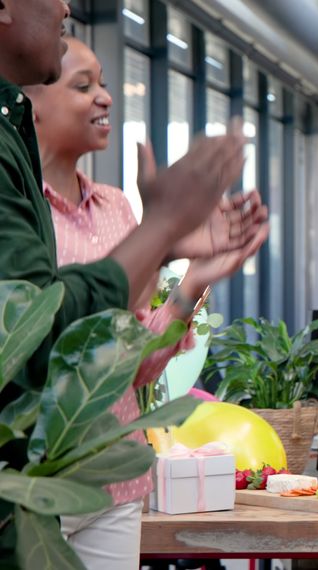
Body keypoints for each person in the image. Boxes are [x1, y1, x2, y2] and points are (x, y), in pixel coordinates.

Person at [21, 36, 268, 569]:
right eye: (83, 86)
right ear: (28, 103)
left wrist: (192, 282)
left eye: (105, 83)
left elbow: (132, 366)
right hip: (36, 486)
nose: (106, 98)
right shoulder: (19, 214)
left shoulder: (115, 209)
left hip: (117, 479)